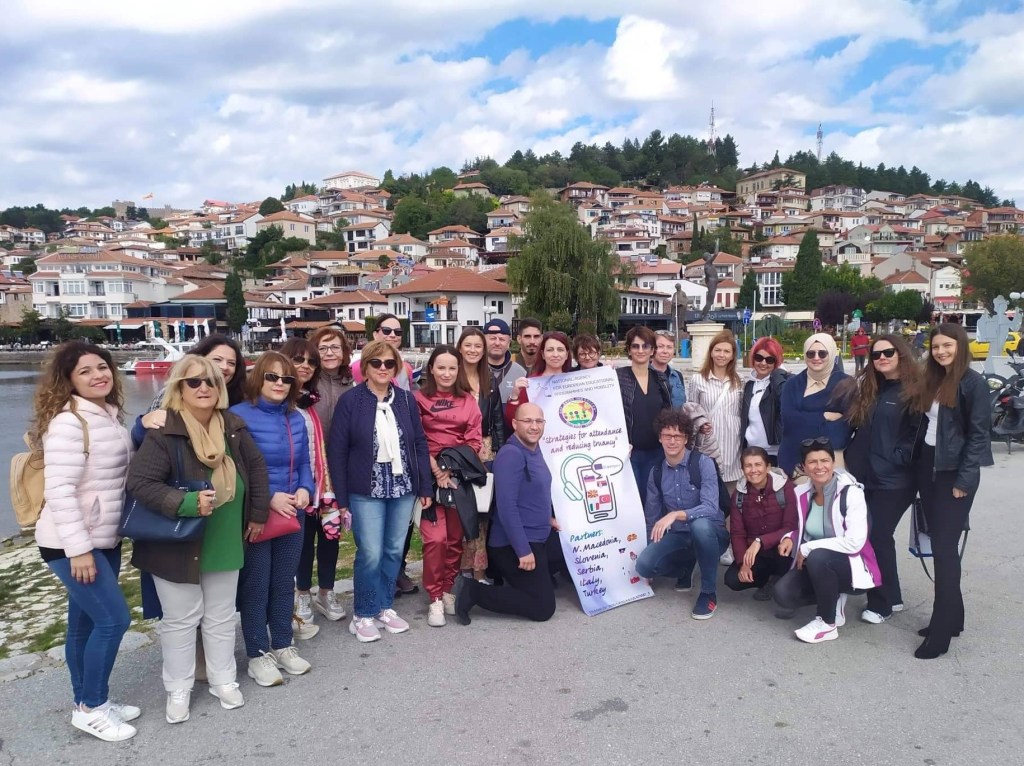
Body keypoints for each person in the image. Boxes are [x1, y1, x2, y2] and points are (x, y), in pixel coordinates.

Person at [127, 356, 269, 723]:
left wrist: (257, 514)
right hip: (176, 541)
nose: (203, 387)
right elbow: (140, 483)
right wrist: (186, 502)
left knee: (221, 616)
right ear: (179, 388)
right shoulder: (165, 431)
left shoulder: (233, 426)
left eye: (210, 381)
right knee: (180, 618)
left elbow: (256, 469)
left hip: (225, 535)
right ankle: (178, 688)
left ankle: (223, 680)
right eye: (193, 382)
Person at [32, 342, 137, 741]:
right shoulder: (69, 422)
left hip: (102, 537)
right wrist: (79, 550)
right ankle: (93, 707)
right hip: (71, 543)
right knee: (114, 620)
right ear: (69, 380)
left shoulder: (107, 416)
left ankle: (86, 701)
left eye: (102, 367)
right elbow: (59, 491)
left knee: (84, 624)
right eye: (85, 371)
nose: (98, 375)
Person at [327, 340, 432, 643]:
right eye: (376, 362)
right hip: (365, 489)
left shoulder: (406, 400)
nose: (383, 368)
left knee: (394, 550)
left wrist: (424, 485)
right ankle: (363, 613)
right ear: (365, 367)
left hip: (402, 488)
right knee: (370, 553)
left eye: (389, 363)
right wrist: (342, 499)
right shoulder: (351, 401)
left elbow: (419, 443)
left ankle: (384, 606)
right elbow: (337, 452)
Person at [906, 323, 992, 659]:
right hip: (929, 466)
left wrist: (964, 481)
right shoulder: (935, 378)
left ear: (960, 347)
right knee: (941, 546)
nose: (941, 352)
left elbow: (978, 436)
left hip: (954, 473)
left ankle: (940, 631)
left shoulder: (973, 383)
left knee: (943, 549)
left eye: (948, 346)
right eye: (936, 346)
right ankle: (954, 618)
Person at [230, 352, 314, 686]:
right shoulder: (238, 416)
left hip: (293, 511)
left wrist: (306, 488)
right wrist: (268, 498)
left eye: (287, 379)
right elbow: (237, 470)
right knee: (256, 583)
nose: (280, 383)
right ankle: (257, 653)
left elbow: (304, 462)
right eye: (272, 377)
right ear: (259, 378)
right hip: (258, 513)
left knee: (283, 581)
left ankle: (282, 643)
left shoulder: (296, 418)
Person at [452, 403, 558, 625]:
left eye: (539, 421)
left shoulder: (535, 449)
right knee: (543, 607)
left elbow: (532, 495)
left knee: (569, 548)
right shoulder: (511, 454)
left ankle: (531, 582)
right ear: (515, 424)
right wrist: (523, 551)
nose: (534, 426)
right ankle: (473, 591)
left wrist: (548, 519)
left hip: (538, 534)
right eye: (528, 421)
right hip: (513, 544)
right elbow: (507, 507)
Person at [773, 438, 880, 644]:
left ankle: (826, 623)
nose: (819, 466)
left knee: (818, 557)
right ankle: (833, 597)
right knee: (784, 594)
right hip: (819, 562)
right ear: (804, 467)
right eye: (812, 462)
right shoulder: (803, 493)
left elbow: (854, 542)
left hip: (850, 564)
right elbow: (807, 529)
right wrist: (790, 538)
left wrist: (809, 547)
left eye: (825, 460)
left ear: (833, 463)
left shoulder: (852, 493)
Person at [844, 334, 920, 624]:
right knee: (876, 536)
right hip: (864, 476)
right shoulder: (872, 389)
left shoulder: (914, 391)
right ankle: (893, 595)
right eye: (876, 355)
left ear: (901, 353)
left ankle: (881, 604)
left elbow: (917, 433)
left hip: (895, 480)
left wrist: (898, 457)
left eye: (888, 352)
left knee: (876, 535)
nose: (882, 358)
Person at [635, 410, 729, 619]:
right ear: (660, 438)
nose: (672, 441)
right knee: (644, 565)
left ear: (686, 438)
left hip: (712, 534)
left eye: (677, 436)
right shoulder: (656, 472)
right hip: (679, 535)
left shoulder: (703, 463)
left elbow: (710, 507)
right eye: (667, 435)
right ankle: (686, 567)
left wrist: (676, 514)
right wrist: (651, 555)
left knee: (700, 526)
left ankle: (708, 593)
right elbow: (652, 518)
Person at [281, 337, 346, 635]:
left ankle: (326, 591)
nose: (305, 366)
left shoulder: (309, 399)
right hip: (296, 484)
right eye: (299, 360)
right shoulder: (279, 398)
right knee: (304, 541)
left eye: (310, 362)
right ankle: (303, 593)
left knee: (330, 536)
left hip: (325, 479)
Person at [414, 345, 483, 627]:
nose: (446, 373)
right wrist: (435, 469)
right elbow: (414, 439)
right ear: (431, 369)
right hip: (427, 479)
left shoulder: (468, 400)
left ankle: (446, 589)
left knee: (455, 539)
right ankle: (433, 597)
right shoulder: (417, 399)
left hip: (457, 478)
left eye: (452, 368)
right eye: (441, 367)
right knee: (435, 540)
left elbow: (474, 441)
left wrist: (449, 468)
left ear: (459, 370)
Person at [457, 328, 503, 582]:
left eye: (478, 346)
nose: (473, 350)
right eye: (468, 345)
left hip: (485, 449)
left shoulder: (489, 380)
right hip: (458, 450)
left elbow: (497, 419)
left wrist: (498, 451)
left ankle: (479, 569)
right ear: (460, 347)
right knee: (461, 511)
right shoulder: (451, 376)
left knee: (483, 512)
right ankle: (461, 567)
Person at [724, 447, 797, 599]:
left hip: (781, 550)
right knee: (732, 579)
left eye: (758, 464)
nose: (753, 470)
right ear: (743, 470)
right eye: (748, 466)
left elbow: (790, 527)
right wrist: (742, 563)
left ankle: (781, 581)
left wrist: (760, 541)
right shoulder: (739, 494)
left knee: (784, 588)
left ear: (768, 467)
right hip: (757, 553)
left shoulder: (786, 488)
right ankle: (767, 581)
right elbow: (737, 533)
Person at [777, 333, 852, 477]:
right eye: (811, 353)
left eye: (822, 353)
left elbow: (844, 430)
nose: (816, 358)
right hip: (794, 460)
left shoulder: (846, 384)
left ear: (831, 353)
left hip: (830, 463)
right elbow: (788, 421)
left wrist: (802, 420)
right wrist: (823, 416)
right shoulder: (792, 384)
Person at [617, 325, 671, 522]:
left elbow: (668, 412)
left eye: (645, 346)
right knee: (634, 502)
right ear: (629, 350)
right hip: (631, 454)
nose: (640, 350)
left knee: (655, 501)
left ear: (652, 350)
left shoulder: (660, 379)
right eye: (635, 346)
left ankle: (654, 538)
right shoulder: (618, 377)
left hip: (657, 452)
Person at [687, 329, 743, 492]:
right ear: (711, 352)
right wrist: (699, 425)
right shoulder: (698, 380)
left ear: (732, 355)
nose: (721, 355)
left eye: (726, 351)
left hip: (732, 445)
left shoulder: (739, 381)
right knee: (707, 487)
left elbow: (741, 412)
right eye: (718, 350)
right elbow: (691, 412)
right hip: (708, 444)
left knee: (731, 494)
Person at [506, 331, 573, 425]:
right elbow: (513, 421)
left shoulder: (575, 382)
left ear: (566, 355)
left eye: (560, 350)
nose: (555, 354)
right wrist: (514, 396)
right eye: (550, 350)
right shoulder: (531, 384)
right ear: (542, 354)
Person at [740, 337, 789, 462]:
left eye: (770, 360)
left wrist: (778, 373)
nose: (763, 363)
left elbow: (785, 402)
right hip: (752, 451)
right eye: (759, 358)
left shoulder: (782, 382)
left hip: (776, 453)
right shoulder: (749, 385)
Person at [484, 318, 527, 439]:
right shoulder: (473, 371)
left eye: (502, 339)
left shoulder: (520, 373)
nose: (497, 343)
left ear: (509, 343)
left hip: (511, 438)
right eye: (492, 338)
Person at [351, 313, 415, 388]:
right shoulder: (359, 367)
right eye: (386, 331)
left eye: (398, 332)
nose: (393, 335)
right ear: (375, 335)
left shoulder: (406, 368)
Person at [653, 331, 686, 408]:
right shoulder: (644, 375)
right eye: (660, 346)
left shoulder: (677, 376)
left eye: (669, 347)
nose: (665, 351)